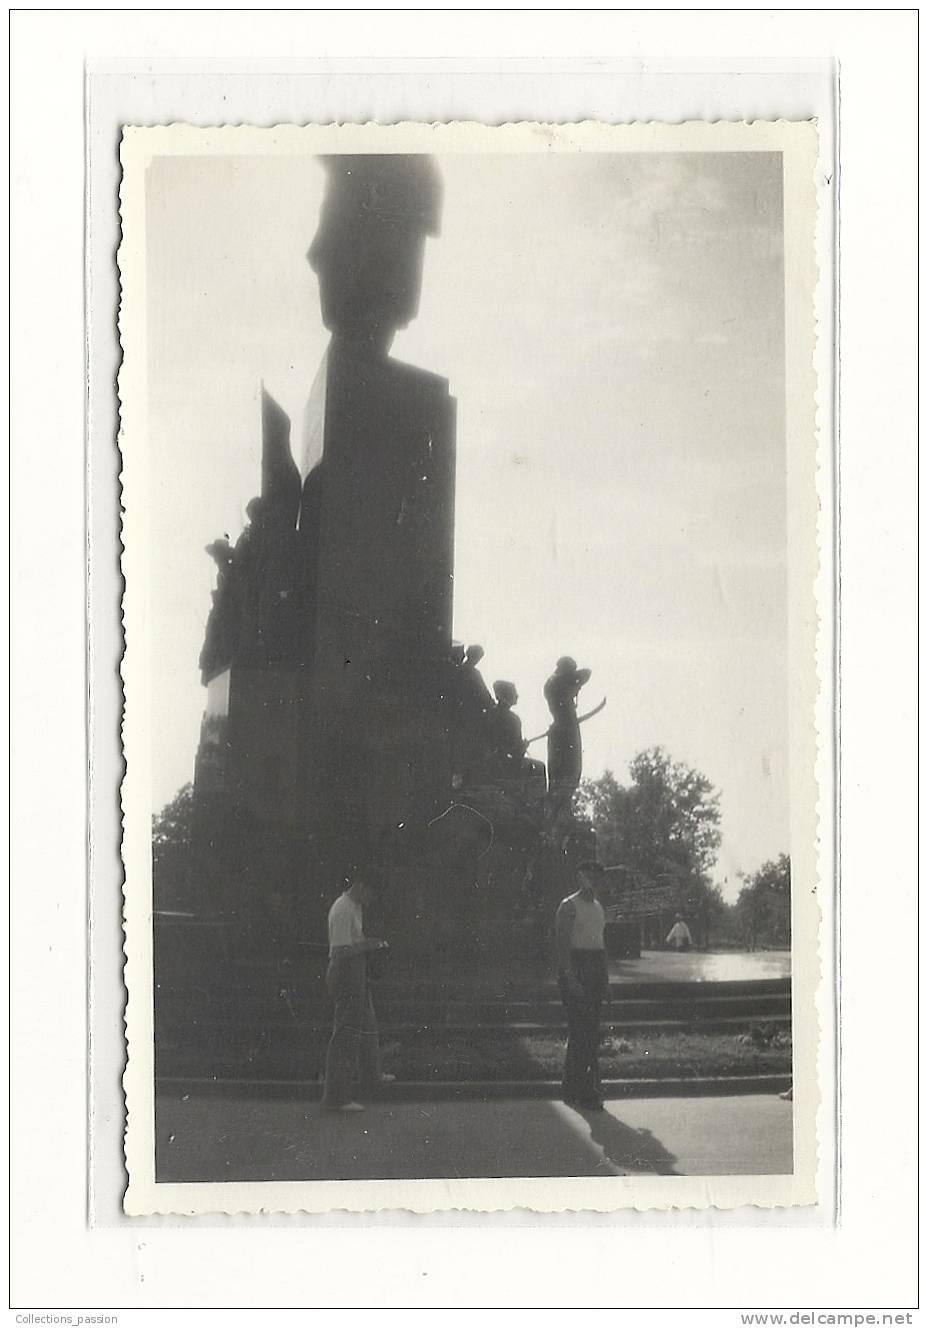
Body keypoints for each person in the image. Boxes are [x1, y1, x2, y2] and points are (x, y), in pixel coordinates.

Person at [320, 865, 393, 1112]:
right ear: (360, 886)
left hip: (356, 972)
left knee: (368, 1025)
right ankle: (337, 1097)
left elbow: (353, 942)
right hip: (344, 973)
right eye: (370, 895)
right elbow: (339, 950)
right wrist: (370, 945)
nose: (371, 901)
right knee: (346, 1033)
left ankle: (373, 1075)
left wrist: (369, 945)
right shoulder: (342, 909)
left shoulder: (356, 907)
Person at [555, 861, 608, 1110]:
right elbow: (562, 947)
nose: (593, 882)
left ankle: (571, 1088)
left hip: (595, 970)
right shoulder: (568, 906)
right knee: (582, 1031)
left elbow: (600, 945)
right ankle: (586, 1090)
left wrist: (605, 980)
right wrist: (571, 978)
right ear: (580, 878)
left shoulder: (598, 908)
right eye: (588, 877)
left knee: (588, 1031)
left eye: (597, 878)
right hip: (577, 969)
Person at [543, 656, 592, 817]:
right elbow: (586, 673)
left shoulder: (551, 683)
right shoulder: (559, 683)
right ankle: (561, 812)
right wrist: (573, 682)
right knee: (569, 771)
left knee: (559, 774)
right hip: (567, 732)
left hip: (558, 730)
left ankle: (560, 811)